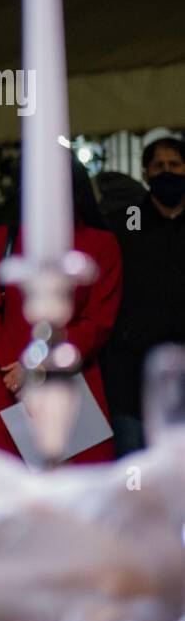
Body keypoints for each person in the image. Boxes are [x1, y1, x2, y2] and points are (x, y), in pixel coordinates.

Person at [0, 158, 122, 464]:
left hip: (72, 379)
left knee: (78, 496)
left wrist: (38, 364)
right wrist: (14, 364)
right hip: (9, 382)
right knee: (9, 491)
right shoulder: (5, 238)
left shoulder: (101, 244)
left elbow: (99, 322)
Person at [101, 136, 185, 456]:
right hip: (133, 371)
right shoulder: (125, 222)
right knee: (133, 467)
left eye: (174, 165)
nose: (167, 172)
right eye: (159, 166)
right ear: (145, 173)